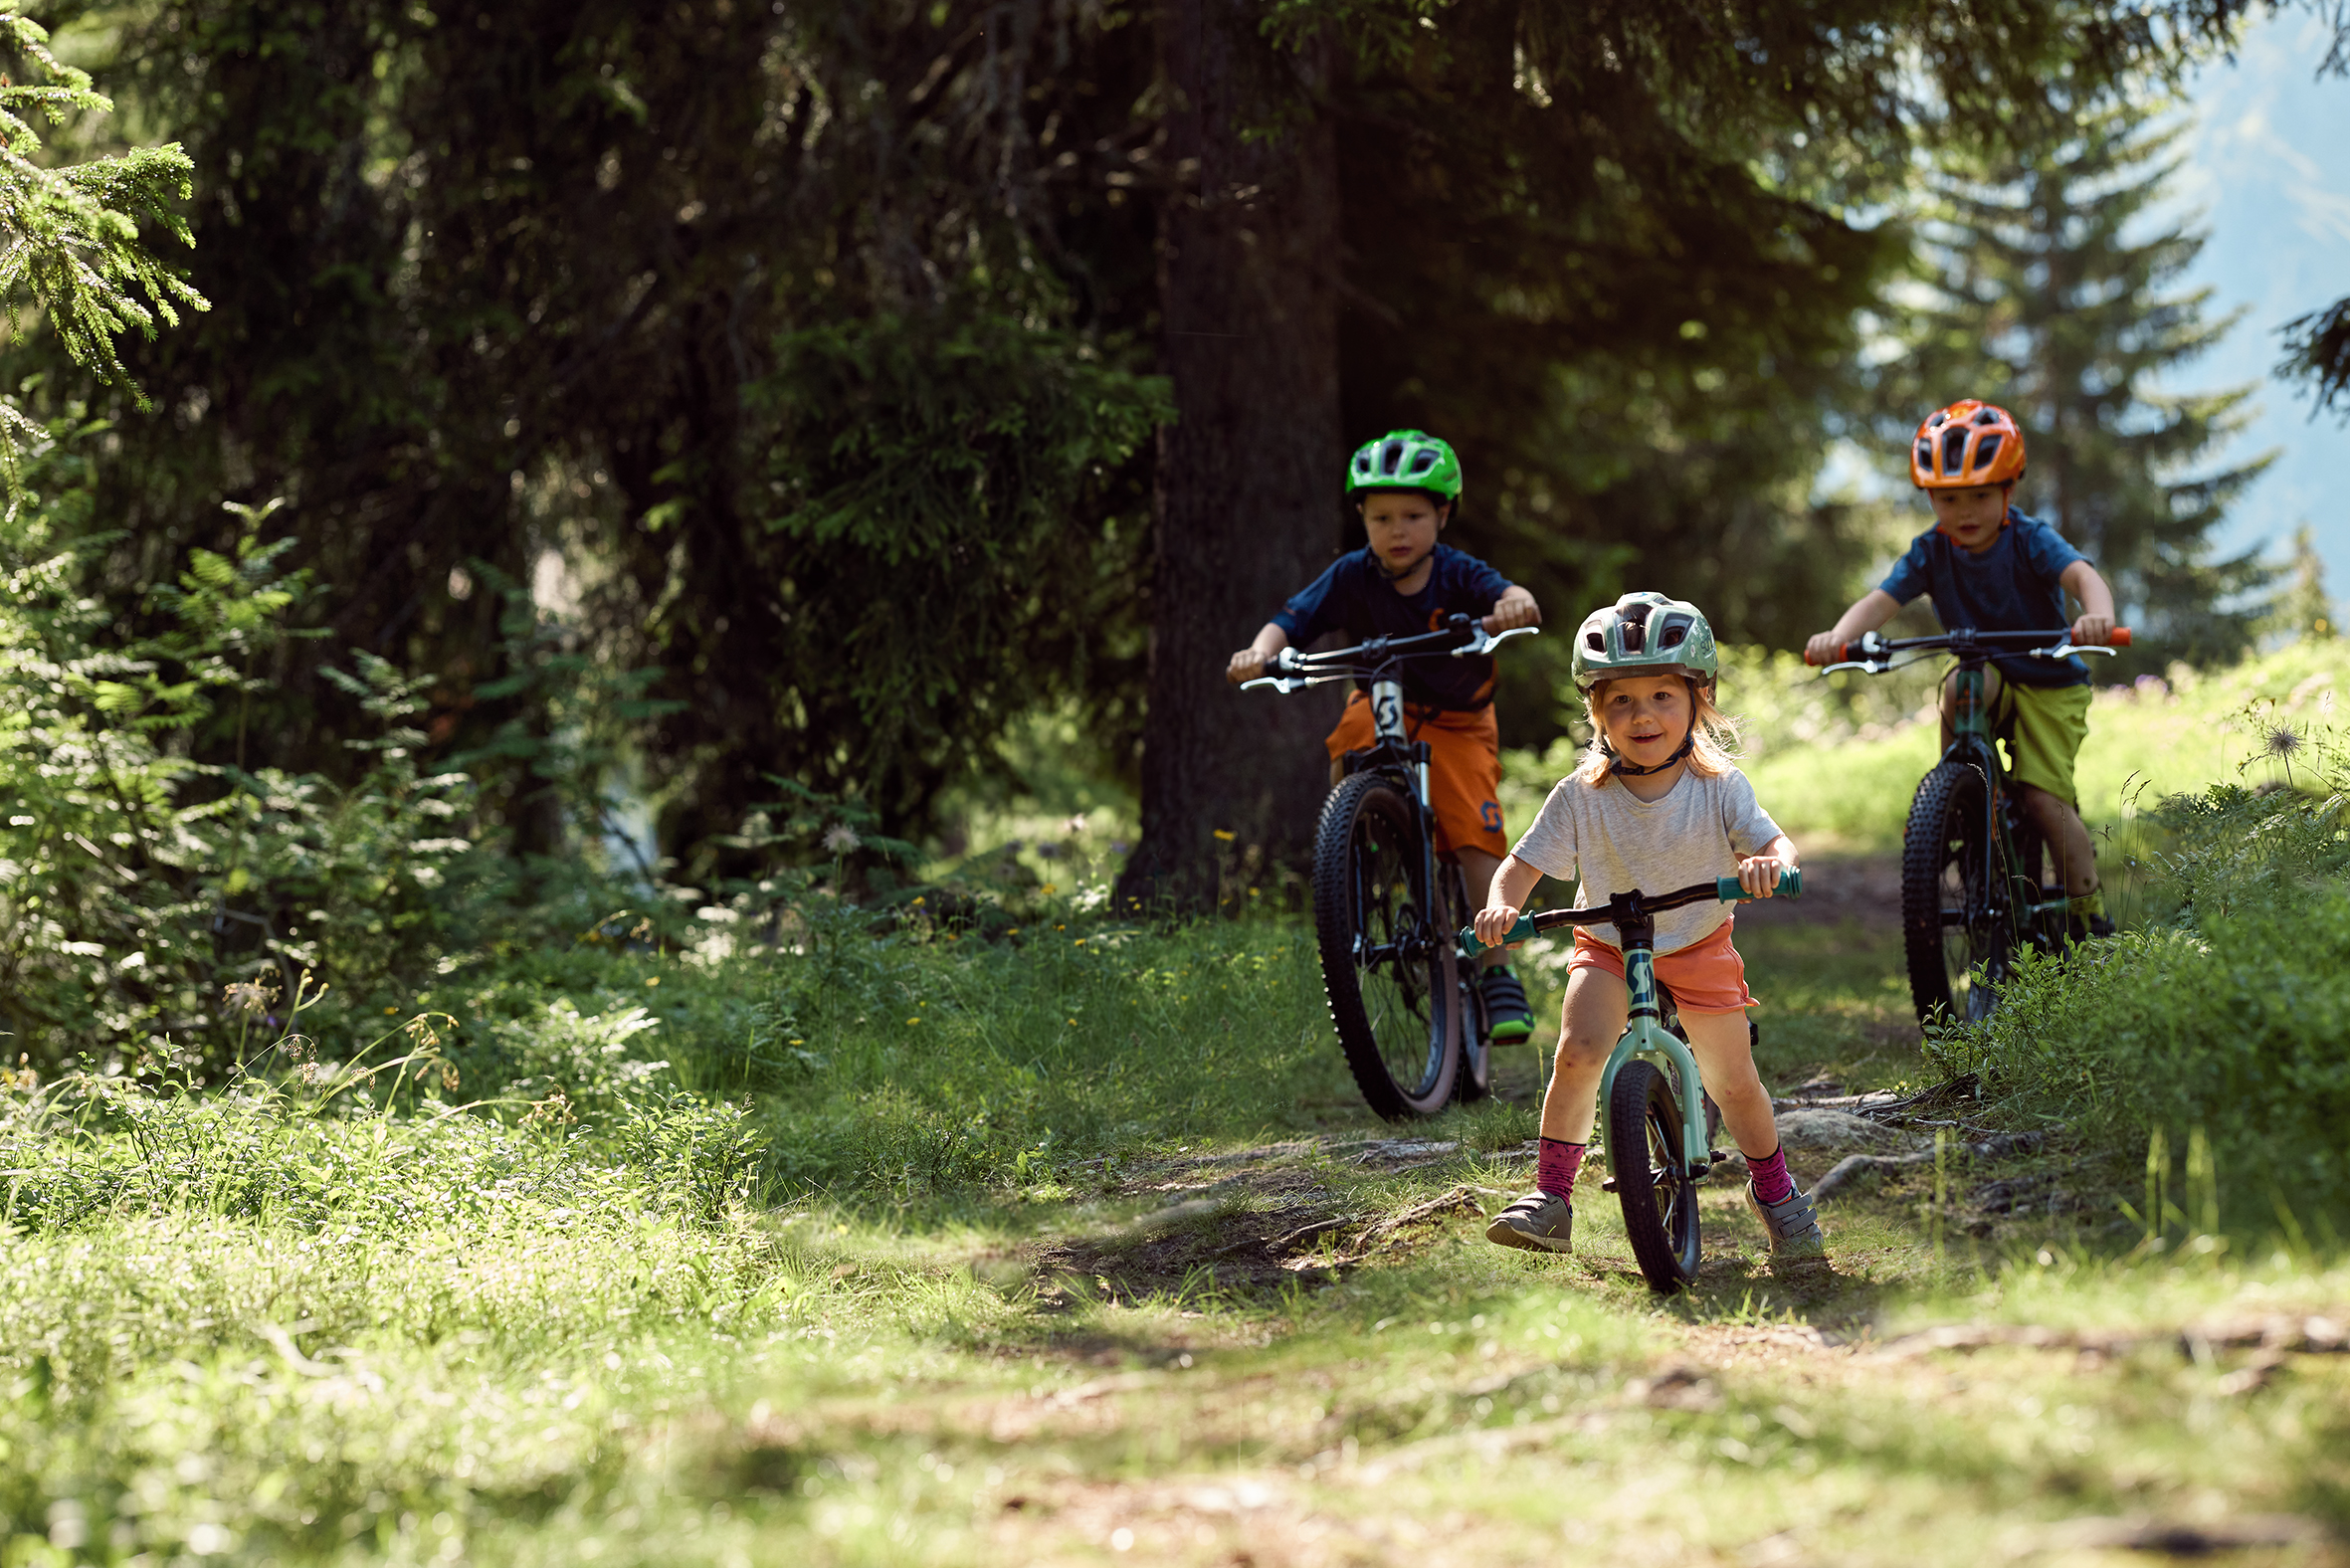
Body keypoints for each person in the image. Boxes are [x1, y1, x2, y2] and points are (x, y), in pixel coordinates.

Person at [1476, 593, 1824, 1260]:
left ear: (1699, 698)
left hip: (1697, 943)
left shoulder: (1720, 786)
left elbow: (1776, 847)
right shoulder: (1583, 793)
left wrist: (1766, 868)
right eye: (1620, 702)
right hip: (1608, 944)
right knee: (1578, 1051)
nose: (1642, 716)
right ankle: (1552, 1197)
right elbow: (1520, 866)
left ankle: (1775, 1191)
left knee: (1733, 1077)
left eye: (1662, 696)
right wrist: (1502, 905)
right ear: (1596, 713)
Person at [1226, 430, 1542, 1041]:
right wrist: (1259, 653)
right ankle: (1359, 838)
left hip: (1456, 721)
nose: (1397, 530)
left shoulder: (1456, 572)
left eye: (1414, 516)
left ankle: (1497, 967)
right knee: (1349, 738)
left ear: (1442, 516)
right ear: (1363, 520)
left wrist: (1514, 606)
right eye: (1381, 517)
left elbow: (1510, 595)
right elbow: (1292, 619)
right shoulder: (1351, 575)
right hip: (1381, 701)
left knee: (1476, 833)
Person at [1805, 400, 2117, 938]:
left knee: (2045, 799)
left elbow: (2082, 576)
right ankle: (1965, 791)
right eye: (1949, 499)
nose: (1965, 511)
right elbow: (1881, 601)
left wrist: (2099, 616)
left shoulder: (2029, 538)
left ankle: (2089, 915)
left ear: (2008, 493)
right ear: (1930, 497)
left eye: (1980, 495)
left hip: (2049, 678)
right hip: (1987, 670)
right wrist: (1841, 636)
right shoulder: (1930, 551)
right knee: (1958, 684)